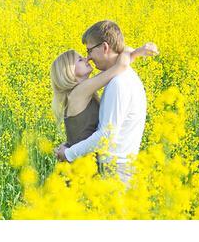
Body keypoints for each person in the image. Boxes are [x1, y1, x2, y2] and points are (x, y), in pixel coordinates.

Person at [52, 20, 158, 185]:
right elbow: (120, 65)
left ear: (105, 47)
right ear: (68, 72)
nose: (88, 58)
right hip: (85, 170)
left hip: (104, 169)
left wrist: (69, 152)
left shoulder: (116, 83)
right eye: (80, 59)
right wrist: (133, 53)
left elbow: (103, 133)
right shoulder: (82, 92)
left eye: (88, 52)